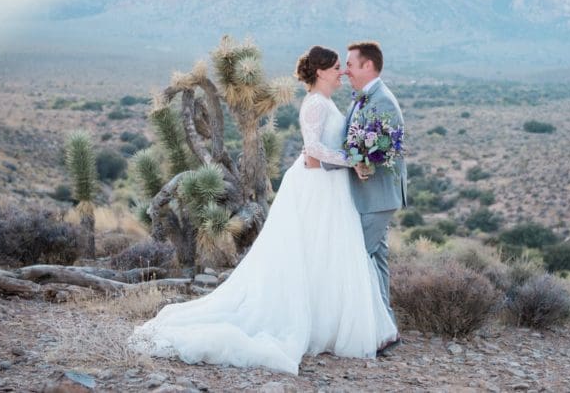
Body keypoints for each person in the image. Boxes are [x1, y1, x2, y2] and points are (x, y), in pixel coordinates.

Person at [128, 45, 397, 375]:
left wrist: (355, 159)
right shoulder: (314, 104)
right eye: (338, 66)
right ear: (322, 72)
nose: (342, 71)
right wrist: (353, 161)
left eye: (347, 66)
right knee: (315, 251)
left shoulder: (327, 102)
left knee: (326, 254)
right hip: (316, 186)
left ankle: (328, 321)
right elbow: (313, 154)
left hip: (331, 188)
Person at [313, 40, 407, 354]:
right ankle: (386, 330)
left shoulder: (383, 101)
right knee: (376, 261)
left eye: (350, 65)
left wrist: (362, 162)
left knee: (352, 259)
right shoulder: (363, 99)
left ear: (367, 66)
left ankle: (357, 331)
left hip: (377, 197)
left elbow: (387, 149)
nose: (346, 71)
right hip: (368, 195)